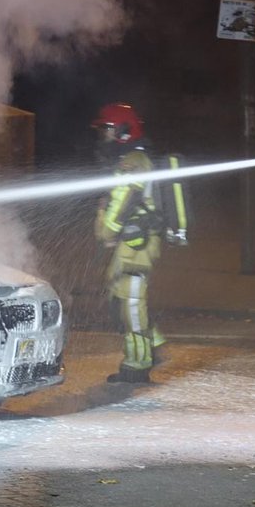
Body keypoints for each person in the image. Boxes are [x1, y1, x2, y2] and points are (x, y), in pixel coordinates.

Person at [92, 102, 166, 383]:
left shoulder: (133, 163)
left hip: (138, 247)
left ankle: (138, 364)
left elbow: (120, 206)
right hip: (131, 245)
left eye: (107, 130)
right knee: (118, 298)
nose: (104, 136)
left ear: (124, 131)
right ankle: (154, 344)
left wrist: (106, 231)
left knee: (132, 303)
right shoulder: (130, 160)